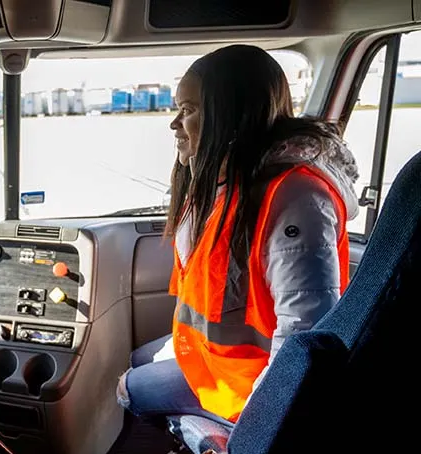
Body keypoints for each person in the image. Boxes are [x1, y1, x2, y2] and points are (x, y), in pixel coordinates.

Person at [116, 45, 359, 427]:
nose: (174, 124)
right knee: (139, 359)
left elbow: (304, 329)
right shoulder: (224, 184)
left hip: (249, 386)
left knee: (127, 389)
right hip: (216, 366)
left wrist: (261, 422)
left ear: (230, 116)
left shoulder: (296, 198)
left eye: (189, 110)